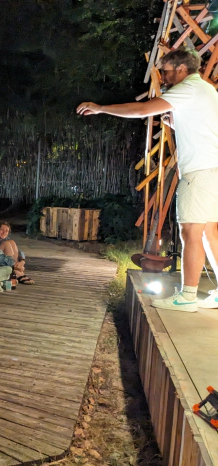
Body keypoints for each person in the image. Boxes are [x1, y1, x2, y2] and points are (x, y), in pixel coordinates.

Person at [78, 48, 218, 312]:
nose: (163, 77)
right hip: (212, 169)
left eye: (165, 71)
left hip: (199, 172)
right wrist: (177, 124)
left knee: (190, 232)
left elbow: (143, 110)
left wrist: (101, 108)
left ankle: (187, 297)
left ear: (181, 69)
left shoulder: (187, 88)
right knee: (210, 233)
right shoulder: (206, 90)